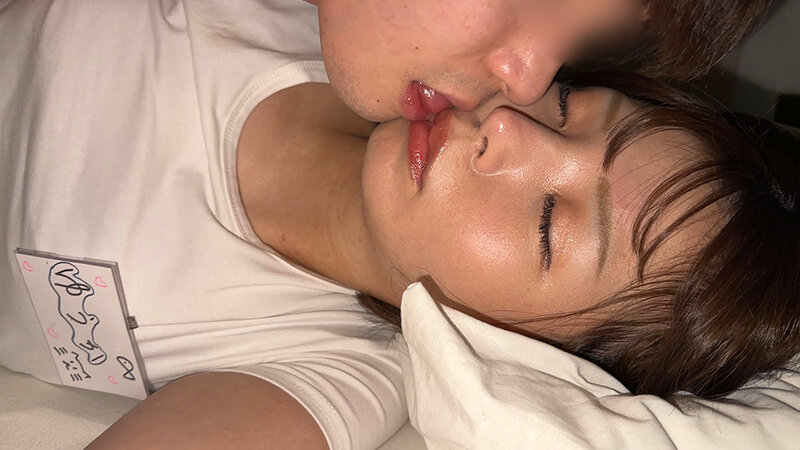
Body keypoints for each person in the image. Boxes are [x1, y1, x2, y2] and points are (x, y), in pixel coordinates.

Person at [0, 1, 784, 449]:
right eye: (567, 108)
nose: (509, 122)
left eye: (550, 220)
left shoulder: (329, 375)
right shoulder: (327, 25)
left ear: (533, 351)